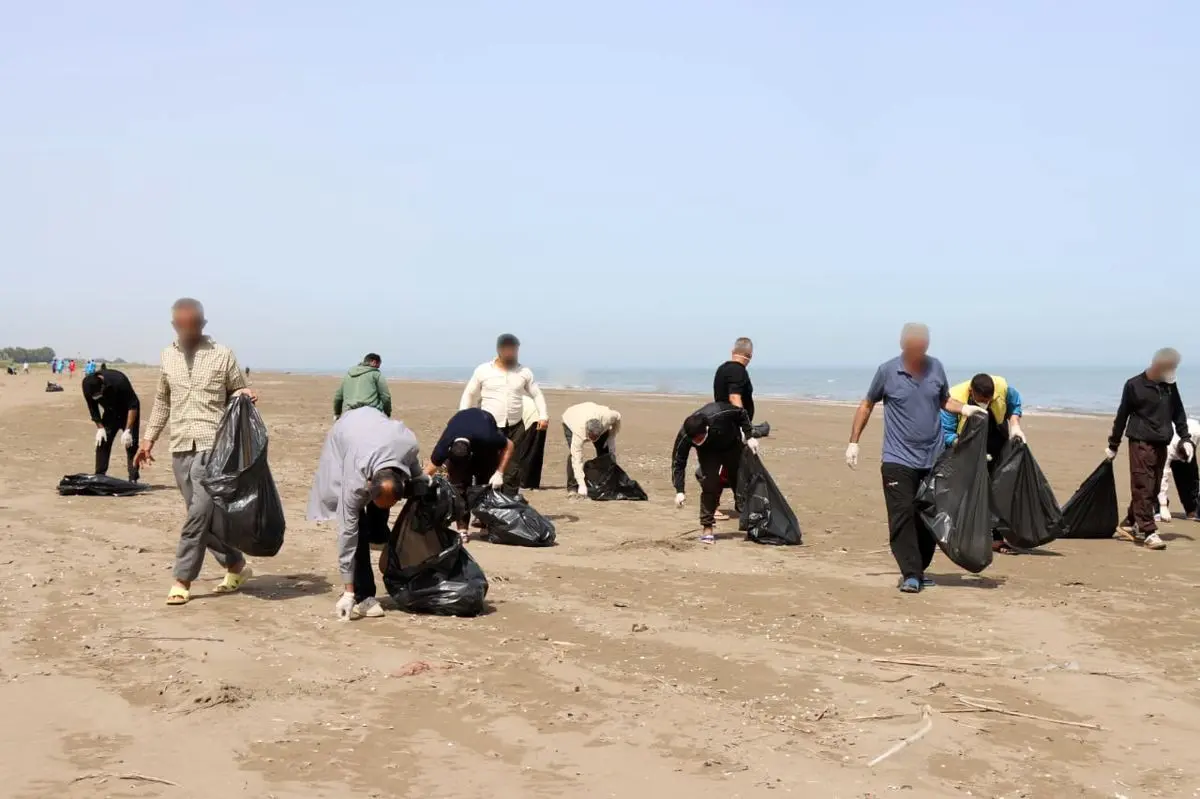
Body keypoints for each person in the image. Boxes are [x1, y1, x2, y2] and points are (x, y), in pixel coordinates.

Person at [134, 298, 257, 606]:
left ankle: (182, 579)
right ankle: (236, 565)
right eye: (182, 328)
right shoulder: (167, 356)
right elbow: (163, 401)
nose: (188, 333)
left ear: (202, 324)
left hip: (213, 447)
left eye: (193, 327)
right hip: (180, 448)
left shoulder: (222, 355)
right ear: (174, 326)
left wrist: (246, 394)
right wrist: (148, 440)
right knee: (202, 516)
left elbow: (237, 391)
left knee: (197, 516)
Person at [845, 323, 979, 594]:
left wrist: (965, 408)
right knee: (902, 515)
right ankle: (911, 573)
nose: (920, 350)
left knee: (928, 516)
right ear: (903, 344)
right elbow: (868, 404)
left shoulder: (936, 367)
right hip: (898, 459)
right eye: (914, 345)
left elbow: (944, 400)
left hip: (934, 458)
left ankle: (919, 568)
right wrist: (853, 442)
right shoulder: (887, 371)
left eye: (923, 345)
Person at [308, 406, 422, 620]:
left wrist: (421, 481)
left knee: (415, 495)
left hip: (375, 422)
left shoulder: (408, 444)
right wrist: (348, 591)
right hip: (344, 433)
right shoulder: (355, 481)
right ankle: (363, 595)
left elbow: (414, 466)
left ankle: (378, 537)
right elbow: (346, 536)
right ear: (368, 484)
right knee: (357, 529)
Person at [1106, 348, 1193, 550]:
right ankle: (1149, 531)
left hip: (1161, 442)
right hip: (1140, 441)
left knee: (1152, 487)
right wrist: (1113, 445)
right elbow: (1122, 416)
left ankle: (1130, 521)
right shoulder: (1134, 385)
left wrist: (1186, 438)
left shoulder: (1170, 387)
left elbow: (1178, 412)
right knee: (1143, 484)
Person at [939, 373, 1026, 553]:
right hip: (965, 444)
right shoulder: (954, 398)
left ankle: (995, 537)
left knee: (997, 488)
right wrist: (962, 445)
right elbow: (946, 433)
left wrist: (1015, 424)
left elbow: (1014, 401)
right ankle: (962, 534)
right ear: (971, 392)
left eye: (989, 400)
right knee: (967, 490)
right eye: (981, 400)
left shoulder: (1001, 387)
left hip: (995, 440)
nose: (985, 404)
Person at [459, 334, 548, 494]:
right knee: (486, 467)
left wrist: (543, 415)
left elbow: (537, 394)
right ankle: (483, 509)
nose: (512, 353)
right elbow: (469, 394)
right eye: (509, 350)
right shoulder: (483, 370)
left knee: (512, 468)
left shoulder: (524, 372)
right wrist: (463, 417)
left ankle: (508, 507)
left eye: (515, 350)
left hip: (515, 426)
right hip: (489, 427)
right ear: (500, 350)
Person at [671, 401, 757, 543]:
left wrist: (749, 436)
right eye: (694, 440)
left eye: (699, 438)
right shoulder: (686, 435)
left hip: (731, 445)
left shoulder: (719, 413)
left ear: (706, 428)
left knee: (740, 484)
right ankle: (707, 527)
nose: (696, 441)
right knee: (709, 483)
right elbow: (678, 462)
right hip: (708, 453)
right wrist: (679, 490)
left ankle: (750, 526)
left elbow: (742, 413)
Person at [424, 407, 515, 539]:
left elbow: (510, 445)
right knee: (458, 488)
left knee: (485, 485)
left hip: (484, 441)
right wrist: (423, 481)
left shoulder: (488, 437)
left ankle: (485, 525)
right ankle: (462, 530)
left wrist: (499, 473)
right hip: (461, 425)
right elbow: (431, 468)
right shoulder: (445, 444)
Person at [82, 368, 141, 482]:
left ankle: (133, 478)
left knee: (131, 444)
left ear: (102, 383)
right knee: (103, 441)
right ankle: (100, 475)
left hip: (128, 411)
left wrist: (128, 430)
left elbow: (133, 405)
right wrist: (100, 428)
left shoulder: (119, 380)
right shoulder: (87, 386)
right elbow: (92, 407)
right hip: (110, 412)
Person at [562, 402, 622, 496]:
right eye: (591, 437)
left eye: (596, 437)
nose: (593, 440)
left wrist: (612, 436)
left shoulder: (609, 418)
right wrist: (582, 484)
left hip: (594, 411)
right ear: (587, 431)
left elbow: (618, 417)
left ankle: (605, 482)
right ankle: (573, 487)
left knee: (604, 451)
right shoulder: (579, 430)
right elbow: (577, 459)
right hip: (570, 418)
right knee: (573, 455)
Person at [1157, 418, 1200, 523]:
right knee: (1155, 478)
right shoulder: (1168, 447)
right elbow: (1164, 476)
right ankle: (1157, 508)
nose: (1181, 460)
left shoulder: (1197, 432)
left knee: (1191, 476)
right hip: (1163, 441)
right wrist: (1163, 505)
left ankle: (1192, 509)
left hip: (1188, 439)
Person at [333, 352, 392, 418]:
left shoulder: (348, 375)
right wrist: (387, 413)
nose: (378, 368)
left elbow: (338, 397)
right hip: (370, 413)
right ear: (374, 362)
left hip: (348, 413)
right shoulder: (376, 374)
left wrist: (337, 413)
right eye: (378, 366)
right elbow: (386, 396)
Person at [714, 337, 755, 421]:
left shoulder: (722, 368)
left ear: (733, 352)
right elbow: (734, 397)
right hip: (732, 424)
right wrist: (744, 424)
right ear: (750, 356)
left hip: (721, 418)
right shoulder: (738, 370)